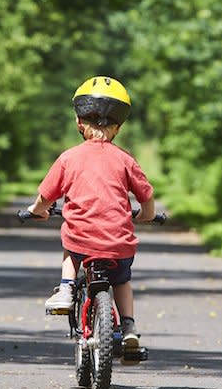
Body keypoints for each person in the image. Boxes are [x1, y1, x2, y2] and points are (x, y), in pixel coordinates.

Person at [26, 75, 156, 348]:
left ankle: (66, 288)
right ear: (118, 128)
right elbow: (146, 195)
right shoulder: (125, 159)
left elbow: (46, 196)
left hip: (82, 242)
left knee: (71, 244)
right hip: (118, 244)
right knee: (121, 281)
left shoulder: (68, 158)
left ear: (78, 122)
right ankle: (129, 326)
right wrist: (147, 214)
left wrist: (37, 210)